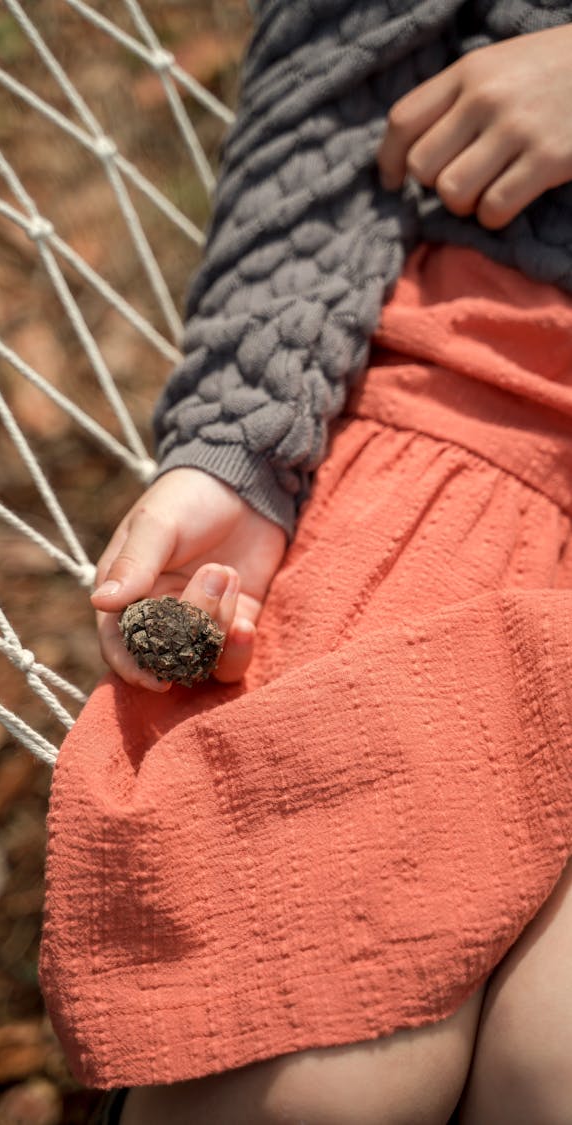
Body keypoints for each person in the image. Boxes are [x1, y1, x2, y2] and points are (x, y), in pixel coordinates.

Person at [40, 2, 572, 1122]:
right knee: (308, 1083)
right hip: (480, 420)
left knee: (554, 1070)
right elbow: (326, 134)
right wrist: (241, 451)